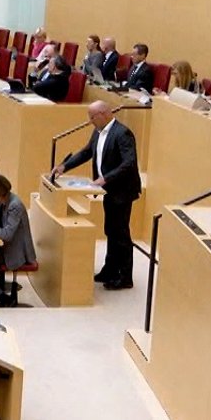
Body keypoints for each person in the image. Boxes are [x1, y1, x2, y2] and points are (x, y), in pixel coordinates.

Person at [59, 101, 140, 288]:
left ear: (103, 114)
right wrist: (65, 166)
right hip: (108, 190)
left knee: (120, 233)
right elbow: (87, 152)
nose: (89, 121)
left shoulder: (123, 133)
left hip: (122, 190)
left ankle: (125, 277)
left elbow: (129, 163)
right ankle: (110, 269)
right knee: (110, 230)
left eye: (92, 117)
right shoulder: (98, 132)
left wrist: (105, 178)